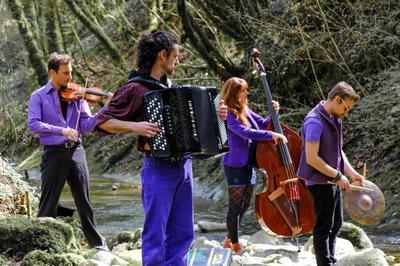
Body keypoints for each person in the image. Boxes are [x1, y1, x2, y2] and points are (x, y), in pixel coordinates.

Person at [96, 30, 228, 265]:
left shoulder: (172, 87)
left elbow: (195, 128)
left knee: (184, 231)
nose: (178, 61)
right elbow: (101, 122)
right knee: (156, 232)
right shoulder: (135, 89)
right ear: (162, 55)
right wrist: (135, 127)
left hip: (184, 167)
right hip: (157, 169)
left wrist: (215, 115)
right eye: (175, 55)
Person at [28, 52, 112, 251]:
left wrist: (104, 110)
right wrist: (61, 130)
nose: (70, 78)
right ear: (52, 73)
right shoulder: (38, 96)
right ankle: (40, 245)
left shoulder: (78, 96)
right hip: (53, 153)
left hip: (76, 152)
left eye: (71, 72)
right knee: (48, 202)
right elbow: (33, 125)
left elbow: (87, 125)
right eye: (66, 73)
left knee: (85, 201)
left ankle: (97, 243)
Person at [297, 81, 365, 266]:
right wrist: (337, 176)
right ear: (336, 99)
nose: (346, 112)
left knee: (336, 224)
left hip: (333, 180)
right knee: (323, 228)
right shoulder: (314, 122)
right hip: (320, 182)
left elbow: (338, 151)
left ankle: (331, 260)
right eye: (346, 108)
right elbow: (311, 158)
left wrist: (351, 174)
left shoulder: (334, 118)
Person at [220, 77, 288, 253]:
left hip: (250, 163)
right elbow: (244, 132)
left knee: (244, 205)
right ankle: (234, 243)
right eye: (243, 90)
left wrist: (275, 113)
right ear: (234, 93)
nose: (246, 93)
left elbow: (263, 124)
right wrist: (271, 135)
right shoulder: (227, 112)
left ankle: (229, 238)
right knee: (235, 206)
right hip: (235, 164)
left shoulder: (246, 110)